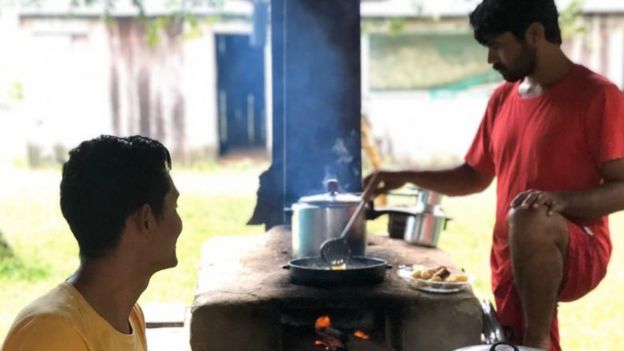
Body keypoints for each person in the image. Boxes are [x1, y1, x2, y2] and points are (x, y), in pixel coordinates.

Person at [364, 0, 624, 350]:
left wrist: (560, 201)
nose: (490, 59)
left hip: (579, 247)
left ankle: (536, 341)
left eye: (497, 46)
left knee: (530, 223)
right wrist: (404, 175)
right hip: (511, 254)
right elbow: (473, 176)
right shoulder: (502, 99)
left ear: (534, 34)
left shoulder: (598, 95)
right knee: (513, 338)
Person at [2, 135, 183, 351]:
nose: (179, 223)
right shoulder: (51, 334)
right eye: (175, 207)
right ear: (146, 221)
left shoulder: (130, 316)